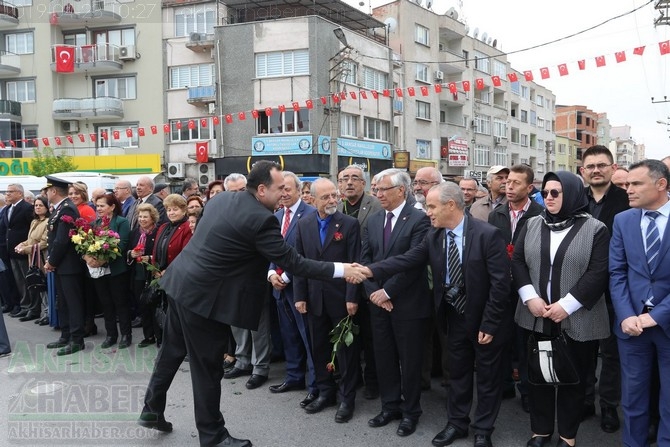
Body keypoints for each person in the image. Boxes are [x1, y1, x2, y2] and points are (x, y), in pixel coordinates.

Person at [137, 161, 365, 447]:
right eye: (279, 188)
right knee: (207, 369)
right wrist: (343, 269)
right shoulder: (261, 219)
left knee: (171, 351)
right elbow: (294, 262)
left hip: (181, 285)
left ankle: (151, 408)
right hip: (205, 300)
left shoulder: (222, 199)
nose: (284, 193)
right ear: (260, 189)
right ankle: (213, 436)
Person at [360, 182, 511, 447]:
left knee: (487, 377)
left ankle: (483, 430)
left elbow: (500, 285)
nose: (427, 212)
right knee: (458, 374)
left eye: (431, 206)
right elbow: (408, 259)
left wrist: (490, 322)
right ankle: (457, 424)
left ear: (450, 205)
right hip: (453, 315)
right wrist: (370, 271)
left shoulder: (488, 234)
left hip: (484, 318)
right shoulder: (435, 236)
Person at [512, 171, 610, 447]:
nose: (549, 198)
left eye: (556, 192)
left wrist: (567, 306)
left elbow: (598, 272)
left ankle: (567, 436)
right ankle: (540, 432)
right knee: (538, 376)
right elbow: (518, 262)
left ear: (573, 194)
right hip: (535, 314)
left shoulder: (596, 229)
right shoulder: (532, 224)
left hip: (578, 318)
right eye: (545, 193)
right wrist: (529, 296)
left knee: (573, 379)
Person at [361, 169, 431, 437]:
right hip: (378, 303)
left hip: (408, 303)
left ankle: (411, 411)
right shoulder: (374, 219)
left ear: (401, 191)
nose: (378, 194)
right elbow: (364, 260)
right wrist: (373, 293)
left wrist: (387, 292)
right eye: (376, 190)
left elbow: (414, 262)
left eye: (382, 190)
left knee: (410, 360)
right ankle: (389, 406)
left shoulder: (419, 220)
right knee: (384, 357)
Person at [609, 159, 670, 447]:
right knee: (633, 398)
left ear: (661, 184)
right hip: (631, 327)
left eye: (635, 184)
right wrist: (625, 315)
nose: (628, 190)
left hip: (666, 325)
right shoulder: (623, 220)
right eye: (627, 184)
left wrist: (656, 316)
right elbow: (617, 272)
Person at [294, 178, 361, 423]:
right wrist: (299, 296)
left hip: (341, 299)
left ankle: (347, 398)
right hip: (313, 298)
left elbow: (355, 263)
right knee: (318, 346)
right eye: (326, 197)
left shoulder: (349, 224)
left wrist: (352, 297)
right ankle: (325, 392)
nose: (333, 200)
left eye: (334, 195)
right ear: (312, 199)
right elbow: (299, 263)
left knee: (345, 351)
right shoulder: (304, 225)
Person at [579, 145, 630, 432]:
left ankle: (609, 406)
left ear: (612, 167)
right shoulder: (575, 201)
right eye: (591, 166)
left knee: (611, 353)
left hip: (615, 289)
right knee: (583, 349)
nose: (596, 170)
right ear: (583, 170)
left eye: (602, 165)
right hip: (581, 288)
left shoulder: (626, 199)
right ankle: (585, 400)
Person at [488, 164, 544, 414]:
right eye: (507, 182)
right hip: (501, 287)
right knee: (501, 337)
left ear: (530, 187)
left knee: (525, 342)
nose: (508, 186)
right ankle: (505, 384)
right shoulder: (497, 213)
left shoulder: (541, 214)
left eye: (516, 183)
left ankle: (528, 390)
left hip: (528, 287)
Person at [266, 172, 318, 404]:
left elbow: (307, 253)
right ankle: (294, 376)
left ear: (298, 190)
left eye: (288, 189)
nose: (284, 193)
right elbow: (272, 249)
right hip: (278, 286)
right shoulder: (276, 216)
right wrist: (270, 273)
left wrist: (286, 275)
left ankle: (315, 383)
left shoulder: (311, 214)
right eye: (280, 189)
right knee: (288, 334)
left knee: (308, 336)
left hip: (299, 286)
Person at [337, 164, 382, 400]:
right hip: (340, 281)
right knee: (347, 337)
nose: (350, 182)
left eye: (355, 178)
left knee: (370, 337)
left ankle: (373, 380)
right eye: (345, 179)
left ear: (364, 184)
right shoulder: (335, 205)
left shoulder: (375, 206)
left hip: (367, 280)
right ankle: (352, 378)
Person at [43, 176, 86, 356]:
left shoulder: (67, 208)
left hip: (68, 265)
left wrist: (51, 261)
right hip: (62, 265)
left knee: (73, 303)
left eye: (46, 191)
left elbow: (62, 240)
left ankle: (77, 340)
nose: (44, 194)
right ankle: (66, 335)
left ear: (53, 191)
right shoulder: (60, 208)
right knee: (63, 302)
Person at [86, 193, 131, 349]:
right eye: (97, 206)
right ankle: (111, 335)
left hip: (116, 270)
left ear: (112, 206)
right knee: (106, 304)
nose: (99, 209)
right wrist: (89, 258)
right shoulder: (95, 224)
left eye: (102, 205)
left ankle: (126, 334)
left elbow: (122, 245)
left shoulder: (121, 222)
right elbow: (86, 245)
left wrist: (102, 260)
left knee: (120, 303)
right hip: (99, 272)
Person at [150, 194, 193, 345]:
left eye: (175, 209)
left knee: (179, 313)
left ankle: (183, 343)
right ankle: (167, 340)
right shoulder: (163, 226)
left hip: (178, 277)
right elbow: (156, 249)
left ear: (183, 210)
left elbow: (186, 253)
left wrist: (169, 271)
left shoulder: (187, 227)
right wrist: (155, 267)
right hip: (161, 275)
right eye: (168, 209)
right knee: (165, 309)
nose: (171, 213)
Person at [127, 203, 160, 347]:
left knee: (155, 305)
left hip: (153, 273)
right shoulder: (134, 232)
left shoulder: (158, 232)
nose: (142, 219)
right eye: (140, 216)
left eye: (145, 216)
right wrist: (131, 254)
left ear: (152, 218)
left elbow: (161, 252)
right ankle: (148, 336)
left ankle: (160, 336)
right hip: (138, 274)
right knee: (143, 305)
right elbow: (127, 251)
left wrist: (151, 258)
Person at [14, 195, 50, 323]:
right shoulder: (34, 221)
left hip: (43, 258)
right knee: (37, 285)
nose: (38, 208)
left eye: (41, 205)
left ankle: (48, 314)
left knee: (45, 285)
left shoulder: (48, 221)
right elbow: (30, 240)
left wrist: (26, 249)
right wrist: (21, 244)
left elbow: (45, 242)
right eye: (36, 205)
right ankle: (43, 312)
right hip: (33, 258)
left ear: (47, 207)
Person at [4, 183, 34, 319]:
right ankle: (23, 304)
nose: (7, 194)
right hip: (11, 250)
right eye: (7, 191)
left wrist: (26, 246)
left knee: (26, 279)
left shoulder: (27, 208)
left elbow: (31, 229)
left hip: (23, 250)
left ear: (20, 193)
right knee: (18, 280)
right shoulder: (8, 208)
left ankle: (30, 306)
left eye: (11, 191)